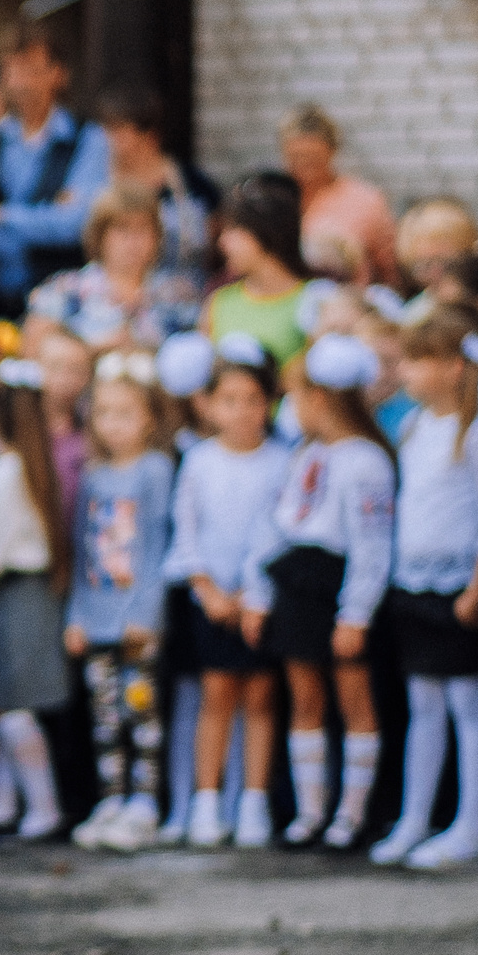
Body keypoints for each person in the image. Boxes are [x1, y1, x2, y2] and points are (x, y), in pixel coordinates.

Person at [242, 334, 395, 849]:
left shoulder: (366, 460)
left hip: (338, 583)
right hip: (297, 581)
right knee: (305, 698)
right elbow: (274, 524)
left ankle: (352, 814)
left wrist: (356, 613)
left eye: (297, 395)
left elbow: (372, 544)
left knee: (354, 699)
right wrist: (259, 594)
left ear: (322, 398)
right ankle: (311, 812)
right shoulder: (305, 453)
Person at [369, 312, 478, 870]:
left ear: (453, 368)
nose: (404, 371)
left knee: (467, 701)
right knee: (422, 704)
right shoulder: (413, 426)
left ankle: (470, 823)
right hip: (413, 581)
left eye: (415, 361)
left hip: (456, 585)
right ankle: (415, 817)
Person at [166, 337, 291, 848]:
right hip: (211, 600)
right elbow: (186, 531)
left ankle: (255, 803)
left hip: (260, 603)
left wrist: (252, 596)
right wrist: (209, 590)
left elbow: (278, 531)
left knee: (260, 698)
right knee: (216, 697)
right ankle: (207, 802)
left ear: (269, 404)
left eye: (253, 400)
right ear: (211, 405)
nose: (242, 411)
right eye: (230, 399)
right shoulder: (199, 461)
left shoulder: (281, 461)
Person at [64, 352, 175, 850]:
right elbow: (82, 549)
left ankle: (144, 802)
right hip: (96, 617)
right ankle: (111, 798)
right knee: (104, 713)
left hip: (136, 621)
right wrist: (76, 616)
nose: (114, 424)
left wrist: (147, 614)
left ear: (149, 417)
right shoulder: (91, 475)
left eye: (125, 413)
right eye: (104, 412)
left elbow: (155, 546)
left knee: (141, 709)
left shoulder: (155, 470)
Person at [0, 14, 113, 321]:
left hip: (63, 308)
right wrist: (46, 218)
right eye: (11, 71)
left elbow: (77, 224)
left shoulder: (88, 140)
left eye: (31, 70)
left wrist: (1, 215)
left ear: (58, 74)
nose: (19, 83)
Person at [0, 372, 73, 839]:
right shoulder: (25, 463)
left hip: (15, 592)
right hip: (28, 592)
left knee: (14, 705)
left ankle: (44, 807)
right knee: (7, 698)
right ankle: (6, 803)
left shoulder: (7, 469)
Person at [29, 184, 201, 349]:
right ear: (99, 235)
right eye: (122, 230)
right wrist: (95, 349)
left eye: (142, 230)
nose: (133, 242)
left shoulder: (178, 293)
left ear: (157, 237)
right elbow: (32, 347)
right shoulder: (67, 288)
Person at [93, 84, 219, 288]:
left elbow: (216, 244)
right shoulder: (97, 183)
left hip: (184, 297)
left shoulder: (191, 184)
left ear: (150, 134)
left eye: (119, 130)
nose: (109, 140)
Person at [280, 105, 399, 292]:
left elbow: (390, 271)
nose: (304, 166)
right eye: (296, 157)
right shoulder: (277, 199)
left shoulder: (365, 200)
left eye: (313, 158)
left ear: (332, 150)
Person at [206, 173, 314, 368]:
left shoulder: (315, 299)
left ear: (264, 232)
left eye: (232, 230)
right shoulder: (218, 302)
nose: (222, 243)